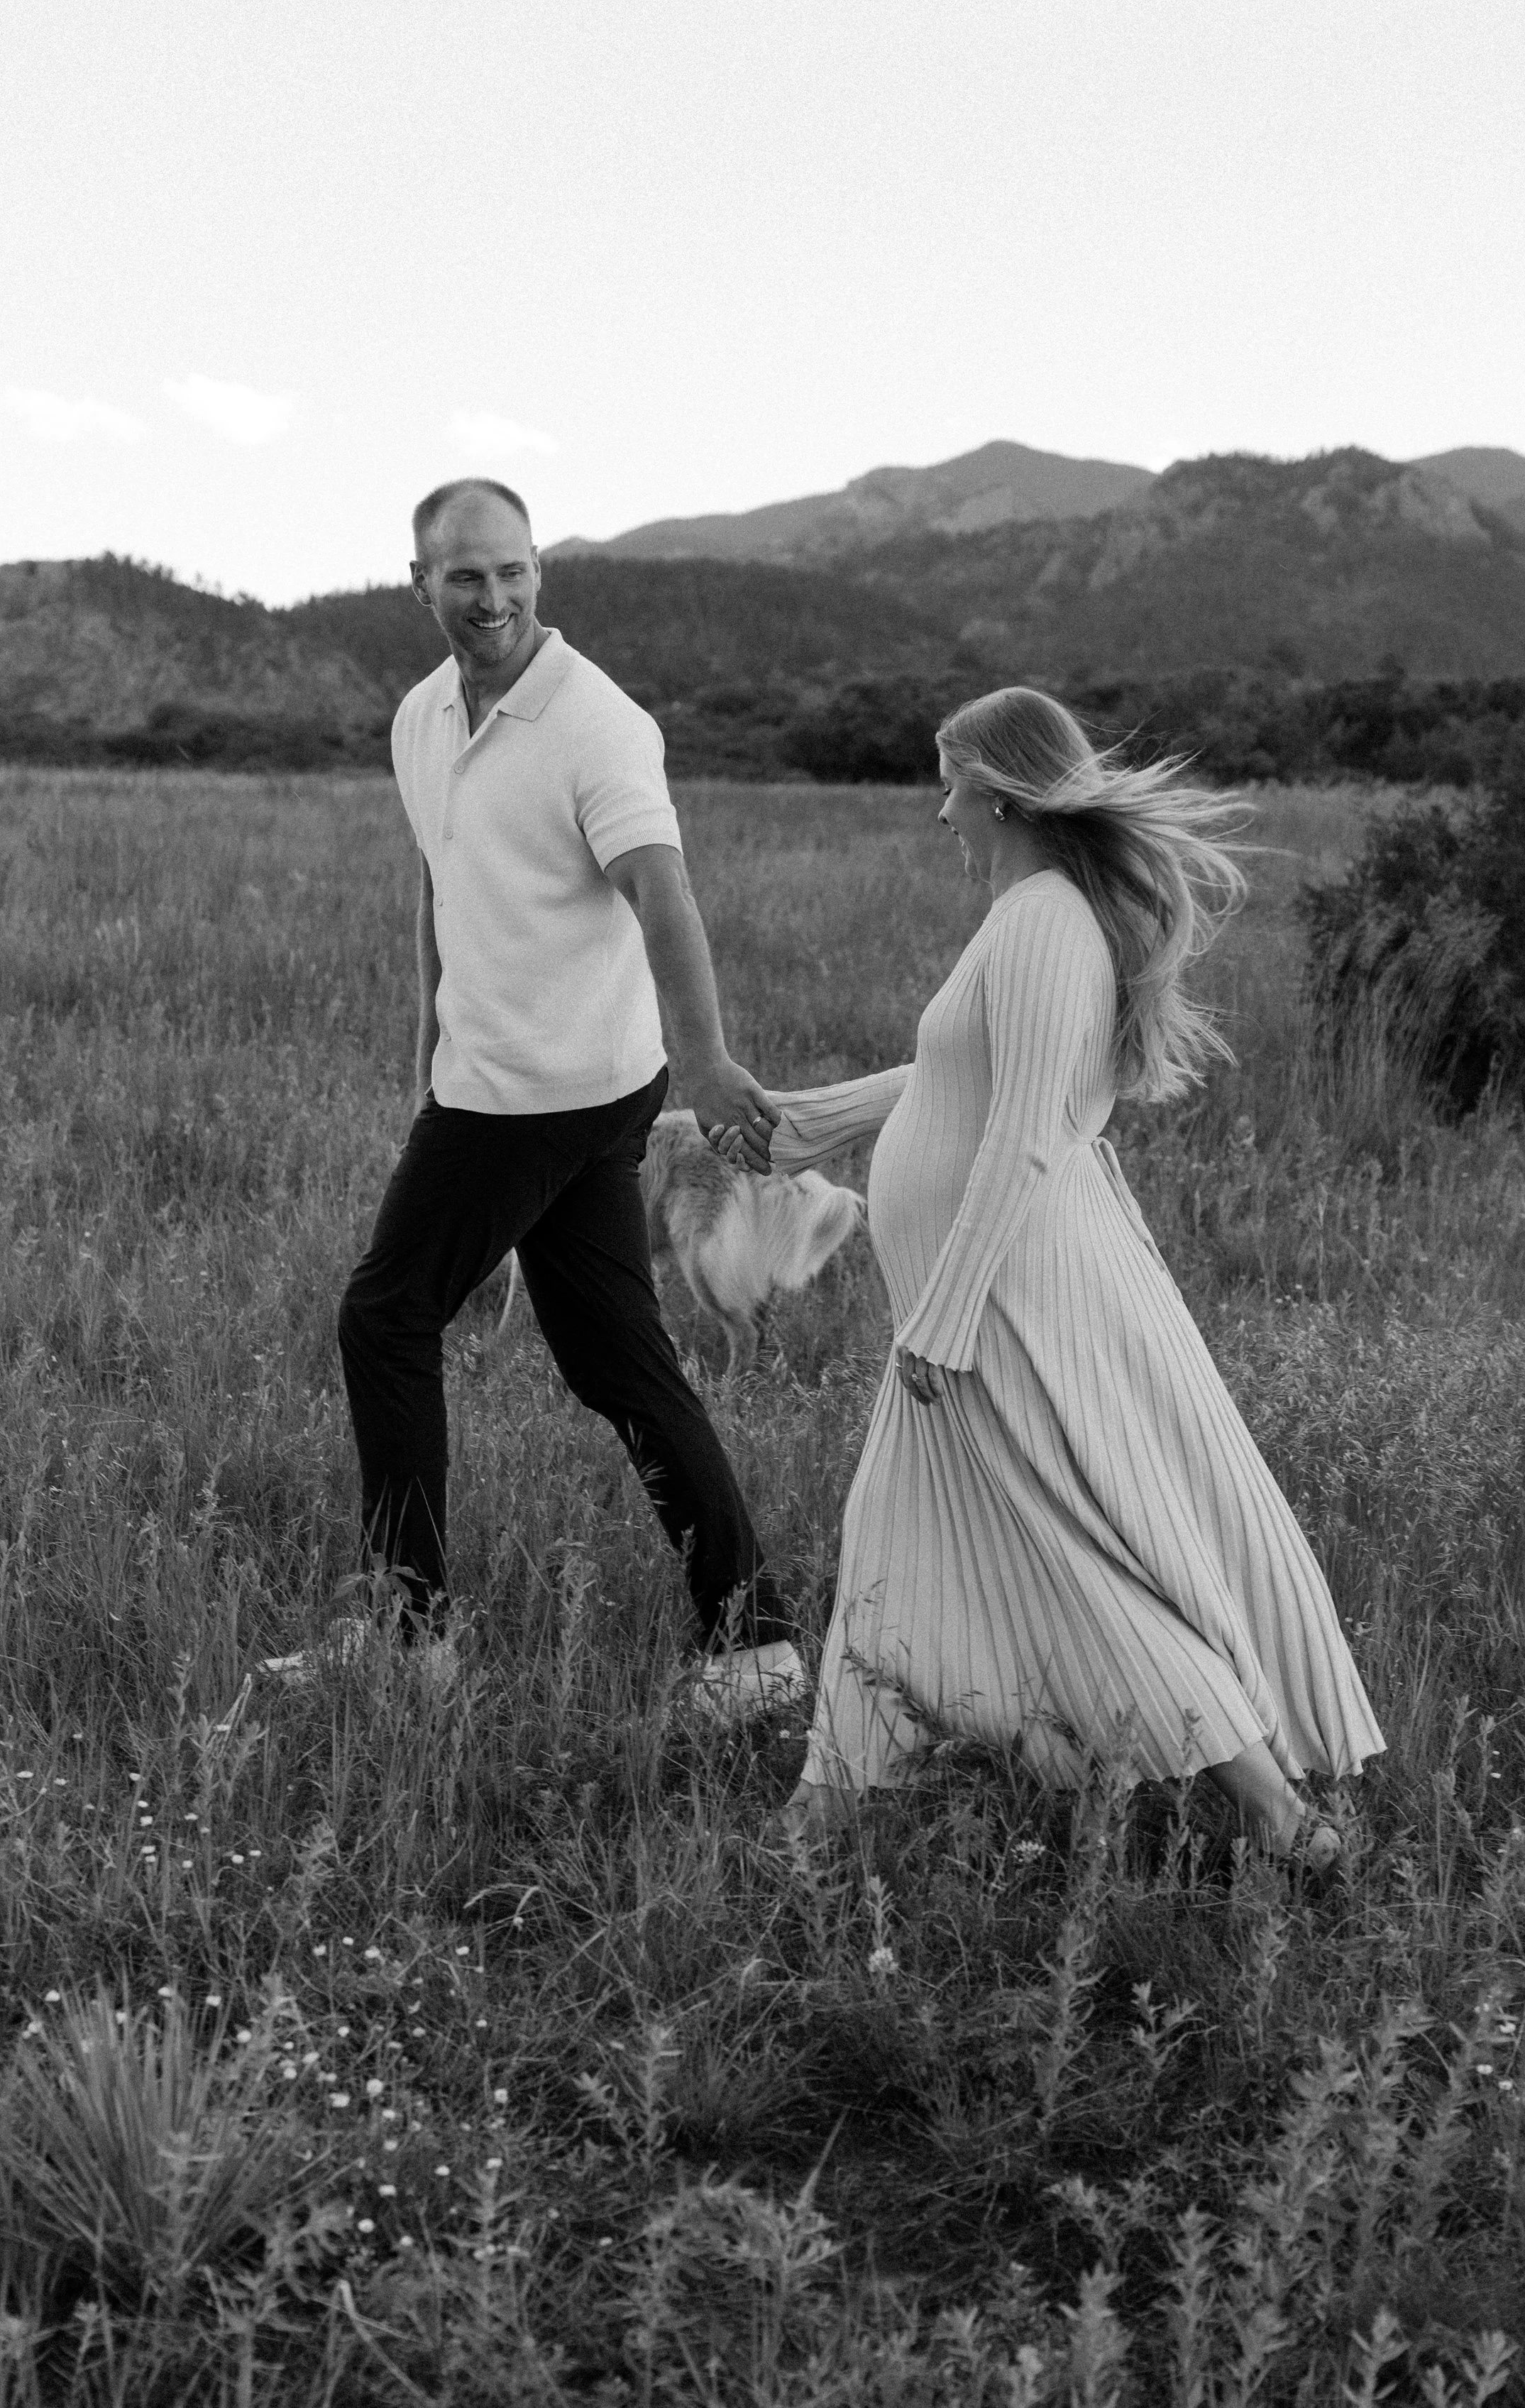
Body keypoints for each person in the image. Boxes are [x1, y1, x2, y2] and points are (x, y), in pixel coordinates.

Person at [720, 686, 1382, 1871]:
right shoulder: (1032, 916)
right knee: (889, 1536)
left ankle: (1283, 1821)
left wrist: (948, 1315)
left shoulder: (1040, 922)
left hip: (1004, 1304)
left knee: (1082, 1559)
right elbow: (950, 1077)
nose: (941, 814)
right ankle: (822, 1808)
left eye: (952, 784)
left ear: (1006, 792)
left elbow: (1025, 1129)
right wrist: (793, 1130)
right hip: (980, 1299)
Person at [336, 476, 801, 1706]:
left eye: (514, 571)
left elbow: (664, 892)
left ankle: (410, 1638)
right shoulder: (422, 718)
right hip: (504, 1082)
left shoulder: (598, 723)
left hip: (549, 1093)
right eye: (466, 576)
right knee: (616, 1361)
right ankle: (757, 1645)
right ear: (421, 583)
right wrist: (426, 1049)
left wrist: (705, 1063)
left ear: (540, 571)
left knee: (384, 1318)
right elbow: (442, 887)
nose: (493, 597)